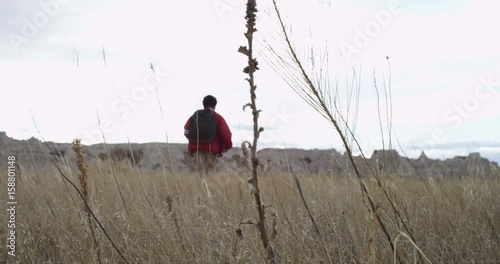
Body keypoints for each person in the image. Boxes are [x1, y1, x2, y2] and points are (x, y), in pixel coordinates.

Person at [184, 95, 232, 173]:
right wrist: (227, 146)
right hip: (211, 150)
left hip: (196, 150)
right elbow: (226, 135)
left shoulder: (195, 115)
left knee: (199, 174)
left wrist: (194, 140)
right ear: (215, 105)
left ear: (203, 104)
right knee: (211, 175)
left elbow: (186, 131)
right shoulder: (218, 118)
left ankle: (199, 185)